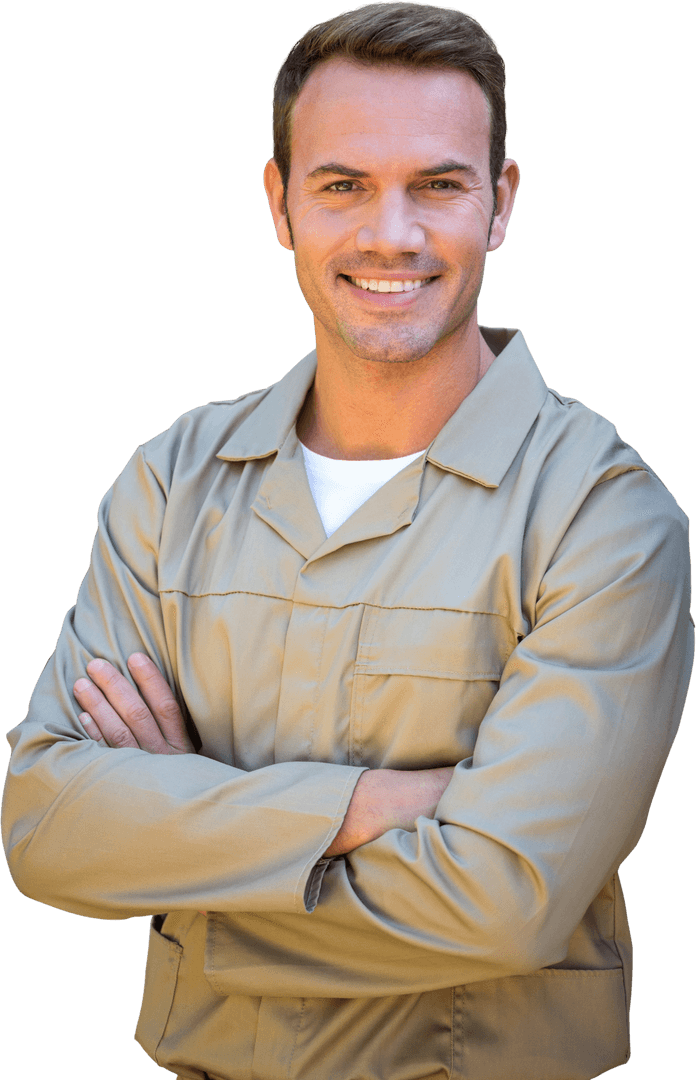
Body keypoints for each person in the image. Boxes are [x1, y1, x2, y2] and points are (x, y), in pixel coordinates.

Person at [3, 4, 693, 1079]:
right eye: (342, 186)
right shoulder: (172, 482)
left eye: (439, 184)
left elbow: (503, 905)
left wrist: (184, 860)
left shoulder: (604, 515)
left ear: (500, 203)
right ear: (280, 204)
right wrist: (370, 809)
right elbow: (47, 826)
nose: (392, 235)